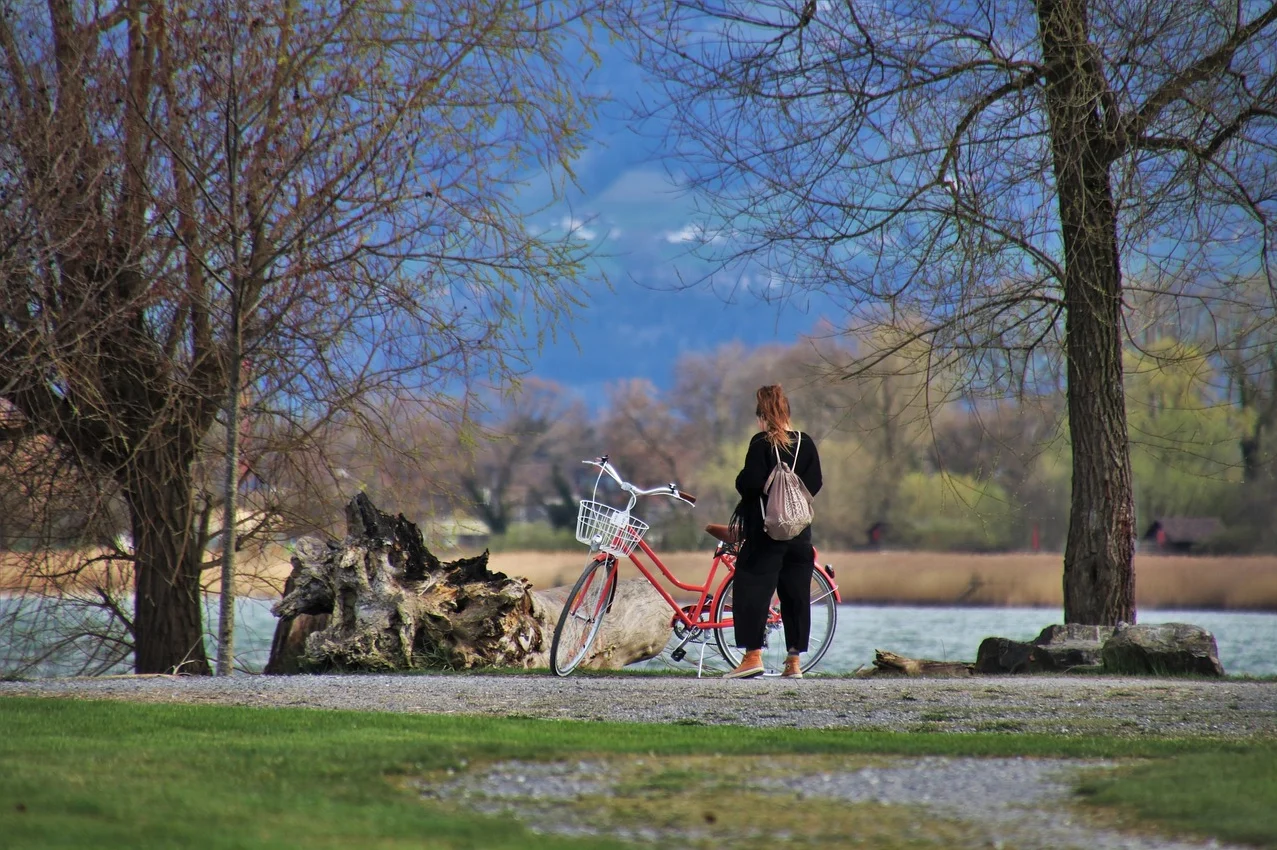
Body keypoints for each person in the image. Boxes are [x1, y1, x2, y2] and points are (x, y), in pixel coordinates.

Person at [725, 384, 822, 679]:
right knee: (795, 595)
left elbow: (749, 483)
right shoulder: (806, 443)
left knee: (752, 589)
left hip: (765, 533)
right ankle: (794, 663)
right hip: (798, 534)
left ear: (762, 417)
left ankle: (753, 656)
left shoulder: (761, 444)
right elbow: (815, 483)